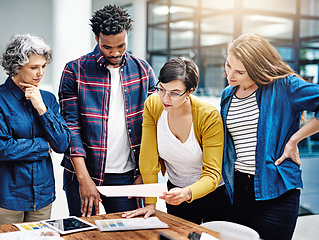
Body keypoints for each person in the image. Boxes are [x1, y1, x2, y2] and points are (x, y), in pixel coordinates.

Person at [58, 5, 156, 218]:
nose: (115, 53)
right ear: (96, 38)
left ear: (127, 35)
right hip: (83, 173)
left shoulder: (143, 71)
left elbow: (154, 127)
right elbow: (70, 128)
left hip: (126, 176)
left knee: (126, 234)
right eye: (107, 47)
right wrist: (84, 179)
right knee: (84, 233)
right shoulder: (75, 71)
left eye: (121, 46)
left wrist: (145, 174)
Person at [220, 33, 319, 240]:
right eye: (228, 65)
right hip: (238, 190)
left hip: (277, 189)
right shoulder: (228, 94)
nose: (230, 76)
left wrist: (294, 139)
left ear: (257, 68)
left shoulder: (285, 86)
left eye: (240, 71)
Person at [122, 57, 231, 225]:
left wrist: (187, 193)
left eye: (174, 93)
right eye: (162, 89)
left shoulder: (208, 116)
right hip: (175, 192)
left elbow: (213, 174)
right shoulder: (153, 104)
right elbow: (148, 160)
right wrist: (150, 204)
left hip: (213, 193)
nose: (165, 98)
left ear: (190, 91)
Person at [0, 34, 71, 226]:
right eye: (34, 67)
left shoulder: (47, 99)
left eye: (43, 66)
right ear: (16, 66)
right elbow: (2, 149)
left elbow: (62, 143)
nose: (40, 73)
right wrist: (43, 145)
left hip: (42, 195)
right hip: (6, 194)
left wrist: (42, 109)